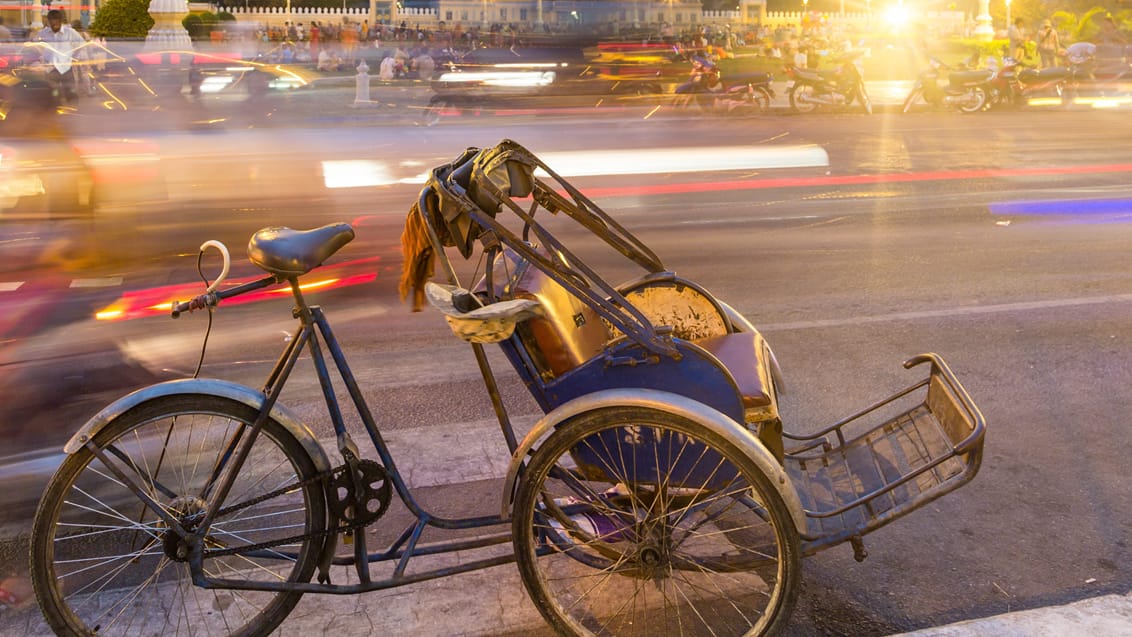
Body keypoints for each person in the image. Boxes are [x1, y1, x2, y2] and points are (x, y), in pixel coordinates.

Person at [35, 9, 86, 104]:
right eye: (51, 23)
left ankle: (72, 115)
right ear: (48, 21)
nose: (54, 25)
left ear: (60, 21)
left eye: (56, 23)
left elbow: (82, 45)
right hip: (50, 70)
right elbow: (35, 46)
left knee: (71, 95)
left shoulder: (70, 32)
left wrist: (73, 57)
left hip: (66, 69)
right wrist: (42, 58)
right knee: (51, 97)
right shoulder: (43, 33)